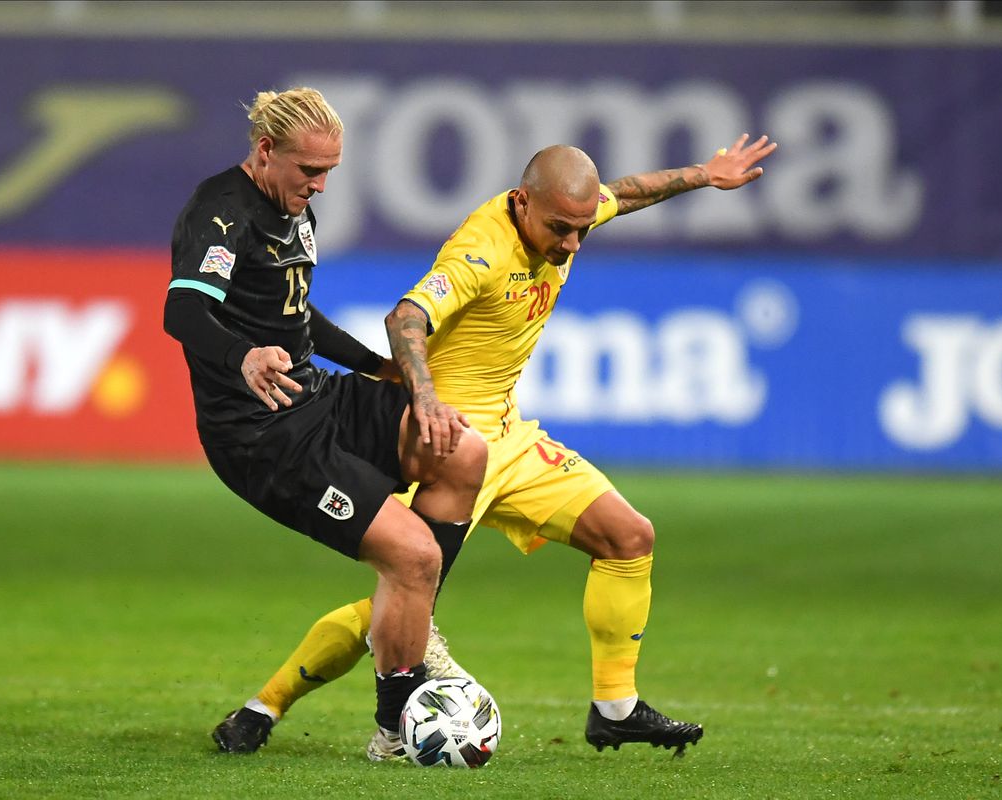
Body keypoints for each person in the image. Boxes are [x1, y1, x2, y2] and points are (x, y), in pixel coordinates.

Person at [217, 134, 777, 760]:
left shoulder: (567, 211)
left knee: (629, 537)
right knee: (406, 603)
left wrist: (704, 174)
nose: (571, 244)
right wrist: (426, 401)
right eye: (561, 228)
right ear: (522, 202)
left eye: (582, 230)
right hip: (451, 447)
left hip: (513, 439)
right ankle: (264, 706)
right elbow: (406, 317)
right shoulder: (482, 251)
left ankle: (614, 708)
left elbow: (627, 192)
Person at [162, 86, 487, 754]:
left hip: (318, 397)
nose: (320, 185)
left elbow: (296, 316)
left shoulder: (293, 211)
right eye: (310, 170)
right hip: (262, 433)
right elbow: (184, 311)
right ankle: (395, 723)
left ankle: (411, 626)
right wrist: (242, 355)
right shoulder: (221, 214)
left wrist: (375, 365)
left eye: (330, 172)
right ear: (265, 151)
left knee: (461, 450)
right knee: (414, 552)